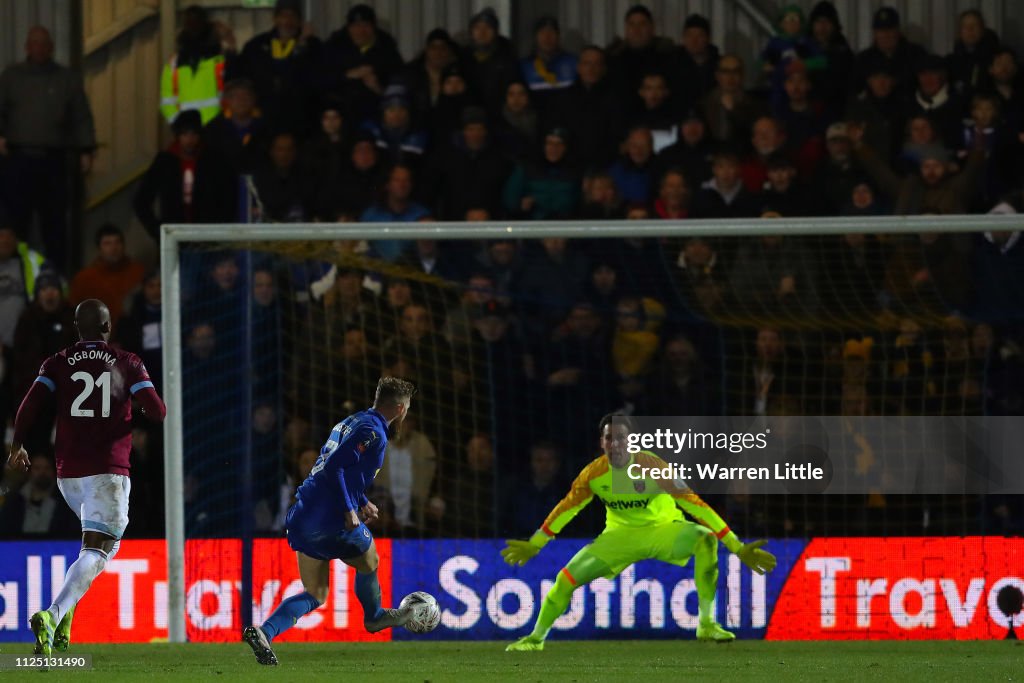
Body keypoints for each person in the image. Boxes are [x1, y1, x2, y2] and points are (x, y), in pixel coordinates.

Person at [502, 413, 776, 650]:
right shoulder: (593, 474)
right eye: (610, 438)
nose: (615, 444)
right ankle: (536, 638)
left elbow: (695, 505)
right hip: (620, 537)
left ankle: (706, 623)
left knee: (704, 539)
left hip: (663, 529)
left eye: (621, 438)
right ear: (602, 443)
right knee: (565, 579)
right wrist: (536, 544)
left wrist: (736, 545)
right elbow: (567, 509)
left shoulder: (653, 466)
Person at [6, 299, 166, 655]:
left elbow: (29, 404)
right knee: (100, 549)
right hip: (107, 473)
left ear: (77, 329)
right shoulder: (126, 362)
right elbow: (157, 411)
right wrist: (134, 402)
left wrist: (17, 445)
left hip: (68, 476)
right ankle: (53, 614)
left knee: (97, 547)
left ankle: (65, 617)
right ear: (108, 328)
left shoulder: (58, 361)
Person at [243, 377, 418, 666]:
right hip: (329, 517)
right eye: (408, 408)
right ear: (400, 408)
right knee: (370, 559)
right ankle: (374, 617)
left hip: (302, 514)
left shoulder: (353, 421)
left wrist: (362, 502)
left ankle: (264, 633)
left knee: (316, 592)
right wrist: (350, 509)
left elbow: (339, 468)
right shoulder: (373, 432)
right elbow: (335, 467)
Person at [0, 25, 97, 273]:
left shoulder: (67, 79)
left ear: (51, 47)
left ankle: (57, 280)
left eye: (44, 43)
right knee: (15, 224)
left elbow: (81, 116)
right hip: (18, 159)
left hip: (54, 161)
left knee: (55, 225)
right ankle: (16, 279)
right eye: (34, 43)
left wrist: (86, 149)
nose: (39, 48)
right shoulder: (11, 77)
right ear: (26, 47)